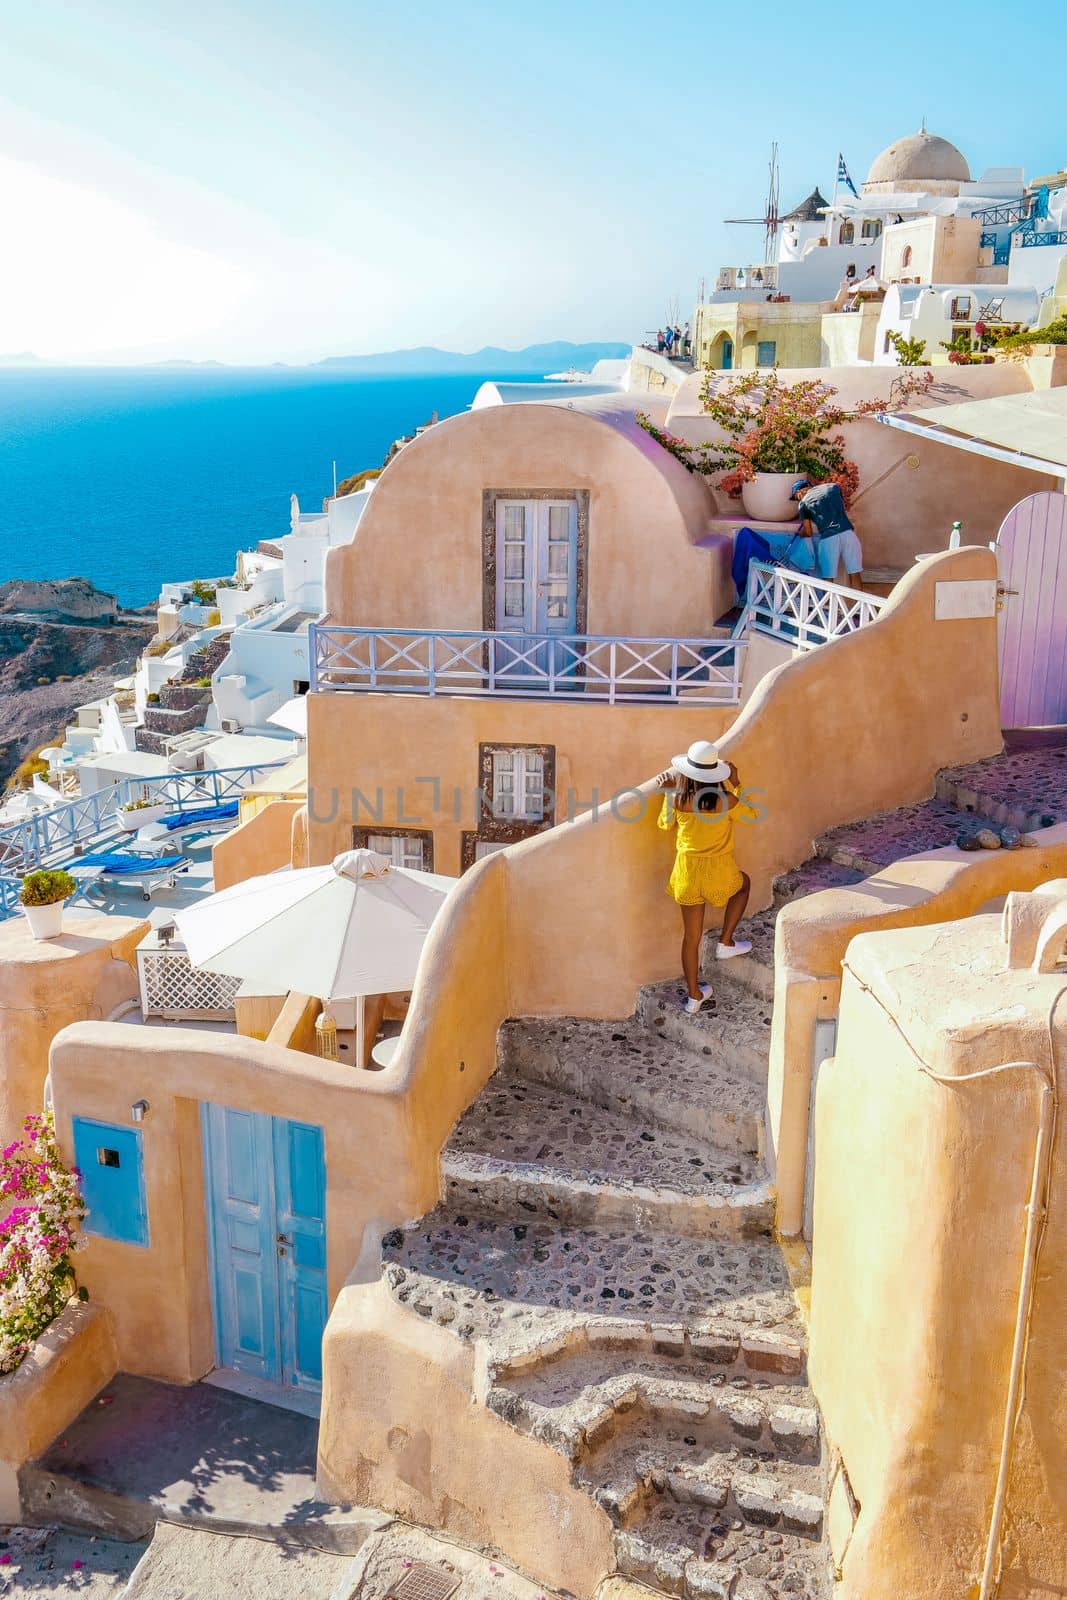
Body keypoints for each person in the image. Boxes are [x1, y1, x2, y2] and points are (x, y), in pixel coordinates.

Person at [655, 740, 753, 1015]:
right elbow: (752, 814)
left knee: (691, 937)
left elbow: (664, 824)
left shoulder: (679, 799)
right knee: (743, 884)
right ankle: (726, 941)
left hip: (687, 871)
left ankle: (694, 996)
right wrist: (736, 783)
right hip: (719, 869)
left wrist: (667, 793)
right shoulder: (728, 800)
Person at [790, 478, 864, 589]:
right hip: (848, 534)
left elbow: (808, 532)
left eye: (796, 498)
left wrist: (801, 533)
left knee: (828, 579)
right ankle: (859, 606)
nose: (797, 501)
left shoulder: (803, 503)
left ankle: (827, 606)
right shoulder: (833, 487)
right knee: (855, 573)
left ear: (799, 492)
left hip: (829, 539)